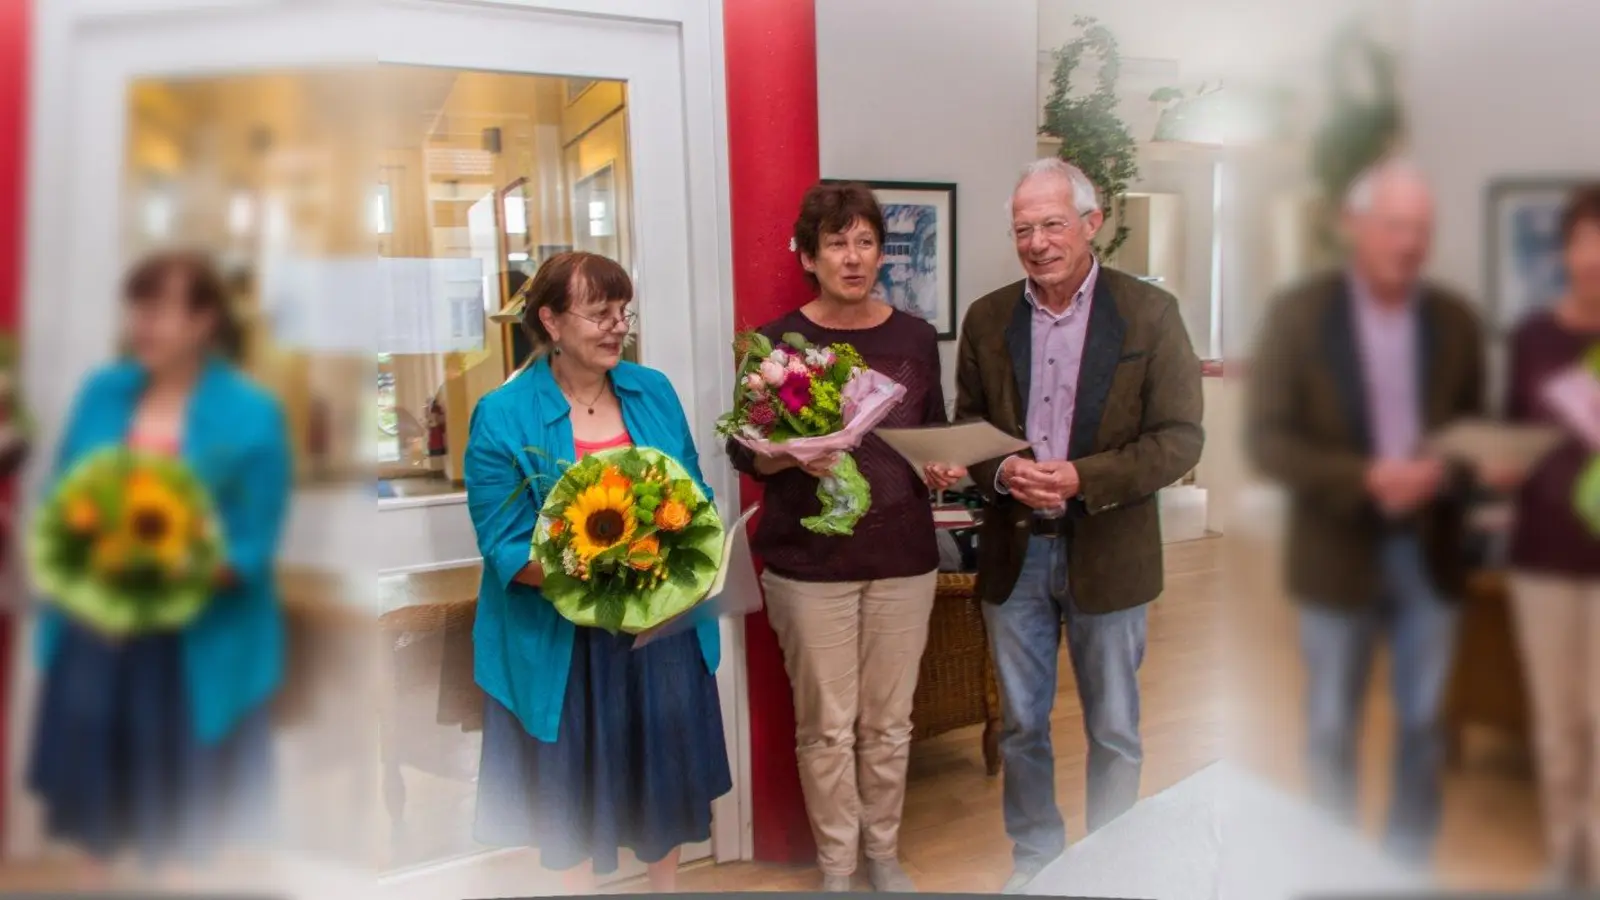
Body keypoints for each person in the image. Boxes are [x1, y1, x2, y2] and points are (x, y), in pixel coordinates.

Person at [955, 158, 1204, 893]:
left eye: (1052, 224)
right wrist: (999, 473)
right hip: (1015, 553)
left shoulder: (1150, 315)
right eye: (1023, 229)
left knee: (1115, 730)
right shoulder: (989, 317)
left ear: (1092, 224)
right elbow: (967, 424)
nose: (1037, 242)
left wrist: (1081, 478)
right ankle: (1036, 863)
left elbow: (1181, 438)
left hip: (1111, 552)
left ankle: (1111, 868)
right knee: (1023, 727)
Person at [465, 251, 730, 893]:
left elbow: (694, 495)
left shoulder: (653, 391)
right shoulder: (502, 415)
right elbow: (503, 546)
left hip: (659, 631)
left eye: (623, 313)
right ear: (551, 321)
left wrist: (676, 568)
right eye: (600, 314)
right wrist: (605, 579)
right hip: (565, 645)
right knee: (574, 804)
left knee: (662, 784)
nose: (617, 328)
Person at [1245, 159, 1486, 865]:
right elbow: (1269, 440)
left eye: (1421, 229)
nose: (1409, 243)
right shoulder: (1300, 315)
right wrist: (1366, 476)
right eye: (1394, 226)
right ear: (1354, 226)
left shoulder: (1455, 320)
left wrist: (1450, 469)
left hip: (1430, 550)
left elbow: (1473, 428)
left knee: (1421, 724)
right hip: (1334, 551)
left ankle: (1407, 865)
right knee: (1329, 726)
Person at [727, 181, 963, 893]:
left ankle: (883, 856)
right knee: (826, 729)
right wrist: (787, 453)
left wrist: (945, 464)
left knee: (890, 725)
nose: (853, 257)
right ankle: (838, 867)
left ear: (881, 252)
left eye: (866, 242)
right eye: (837, 243)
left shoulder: (915, 337)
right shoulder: (772, 344)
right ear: (809, 254)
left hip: (903, 560)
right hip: (809, 565)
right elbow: (747, 454)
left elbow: (930, 434)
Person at [28, 250, 292, 880]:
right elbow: (60, 504)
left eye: (160, 309)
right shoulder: (103, 393)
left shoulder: (250, 415)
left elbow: (250, 546)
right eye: (137, 308)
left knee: (179, 844)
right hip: (95, 641)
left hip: (191, 652)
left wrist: (159, 580)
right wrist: (91, 581)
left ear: (203, 321)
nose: (142, 324)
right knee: (95, 829)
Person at [1493, 184, 1600, 889]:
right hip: (1540, 560)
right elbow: (1514, 436)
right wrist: (1503, 466)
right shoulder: (1532, 336)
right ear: (1565, 249)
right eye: (1585, 240)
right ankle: (1570, 863)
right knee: (1558, 731)